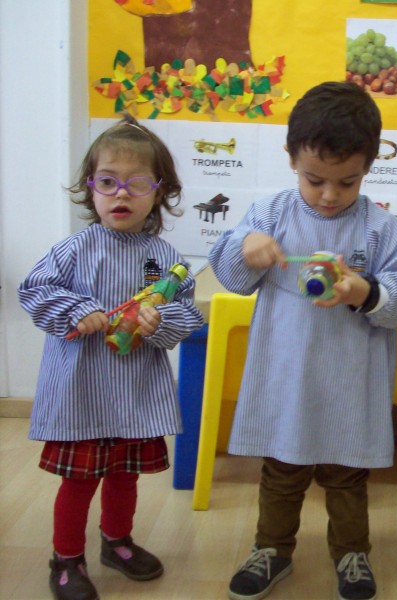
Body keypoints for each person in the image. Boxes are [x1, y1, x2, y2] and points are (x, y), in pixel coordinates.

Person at [208, 81, 397, 600]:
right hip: (287, 380)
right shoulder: (271, 215)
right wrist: (245, 247)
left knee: (347, 477)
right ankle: (272, 550)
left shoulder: (380, 228)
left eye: (347, 182)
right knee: (282, 472)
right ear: (291, 158)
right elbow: (231, 276)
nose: (329, 195)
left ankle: (351, 554)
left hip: (349, 385)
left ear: (369, 165)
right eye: (314, 179)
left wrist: (364, 291)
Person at [17, 115, 204, 600]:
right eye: (107, 182)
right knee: (78, 482)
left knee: (125, 476)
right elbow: (34, 290)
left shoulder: (166, 258)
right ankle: (66, 558)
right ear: (90, 188)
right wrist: (78, 309)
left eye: (137, 183)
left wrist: (160, 322)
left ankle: (116, 541)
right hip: (81, 390)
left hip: (134, 392)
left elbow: (187, 312)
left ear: (159, 192)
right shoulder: (74, 249)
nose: (121, 194)